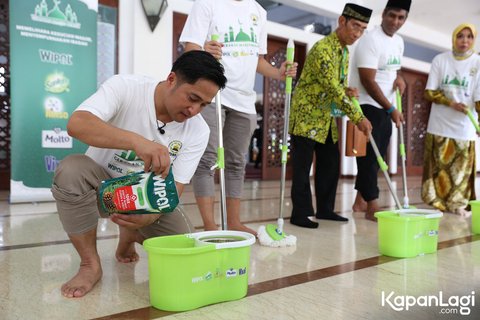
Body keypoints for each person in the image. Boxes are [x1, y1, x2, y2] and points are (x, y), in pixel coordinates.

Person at [51, 50, 227, 298]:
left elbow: (174, 188)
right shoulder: (126, 87)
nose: (194, 110)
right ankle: (90, 264)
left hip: (148, 196)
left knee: (184, 247)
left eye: (203, 105)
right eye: (192, 98)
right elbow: (77, 124)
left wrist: (150, 218)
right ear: (172, 79)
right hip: (100, 190)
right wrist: (136, 142)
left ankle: (132, 233)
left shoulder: (199, 131)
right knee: (70, 170)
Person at [179, 0, 297, 236]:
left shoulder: (259, 12)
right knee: (208, 159)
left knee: (235, 162)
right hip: (213, 95)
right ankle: (210, 225)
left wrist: (278, 72)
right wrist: (204, 49)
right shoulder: (206, 4)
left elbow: (258, 60)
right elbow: (190, 49)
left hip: (244, 100)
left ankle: (233, 221)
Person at [288, 3, 373, 229]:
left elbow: (337, 87)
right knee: (303, 167)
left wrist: (348, 91)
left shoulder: (344, 51)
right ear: (342, 21)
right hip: (306, 115)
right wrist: (359, 117)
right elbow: (332, 88)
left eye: (363, 29)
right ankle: (300, 213)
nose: (358, 33)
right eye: (355, 26)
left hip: (325, 117)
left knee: (330, 163)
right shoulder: (323, 49)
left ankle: (325, 209)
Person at [350, 0, 411, 221]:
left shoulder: (399, 42)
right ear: (384, 14)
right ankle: (372, 205)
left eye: (401, 17)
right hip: (367, 104)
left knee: (377, 156)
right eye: (392, 15)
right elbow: (368, 80)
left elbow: (393, 69)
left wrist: (399, 78)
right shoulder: (370, 39)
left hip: (386, 106)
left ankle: (359, 201)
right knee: (370, 157)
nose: (396, 21)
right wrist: (392, 108)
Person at [421, 24, 480, 216]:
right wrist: (450, 103)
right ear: (454, 38)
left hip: (464, 127)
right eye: (460, 36)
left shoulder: (477, 63)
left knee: (460, 169)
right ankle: (436, 201)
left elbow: (479, 98)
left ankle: (458, 204)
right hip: (439, 123)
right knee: (438, 166)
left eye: (469, 37)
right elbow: (430, 92)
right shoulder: (440, 60)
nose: (464, 41)